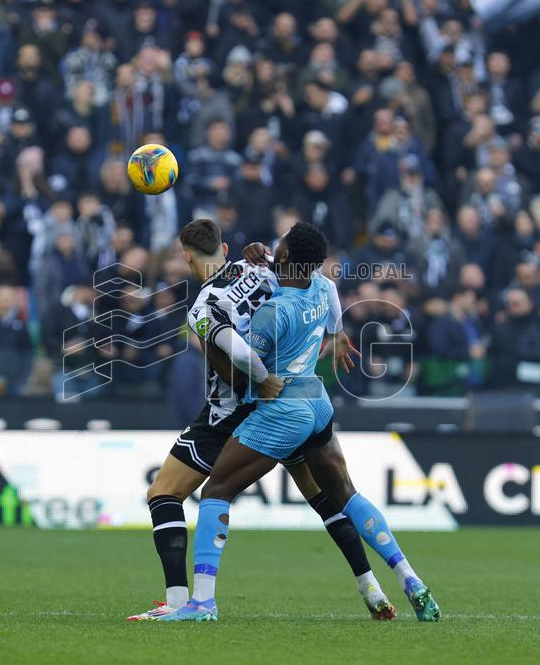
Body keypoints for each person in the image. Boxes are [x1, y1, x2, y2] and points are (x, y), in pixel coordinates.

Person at [160, 223, 439, 622]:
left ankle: (202, 603)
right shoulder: (321, 286)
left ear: (287, 255)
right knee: (345, 495)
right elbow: (330, 294)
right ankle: (410, 579)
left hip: (283, 408)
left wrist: (262, 378)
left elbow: (242, 355)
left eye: (281, 243)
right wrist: (338, 333)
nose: (275, 245)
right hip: (317, 399)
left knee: (216, 491)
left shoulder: (274, 310)